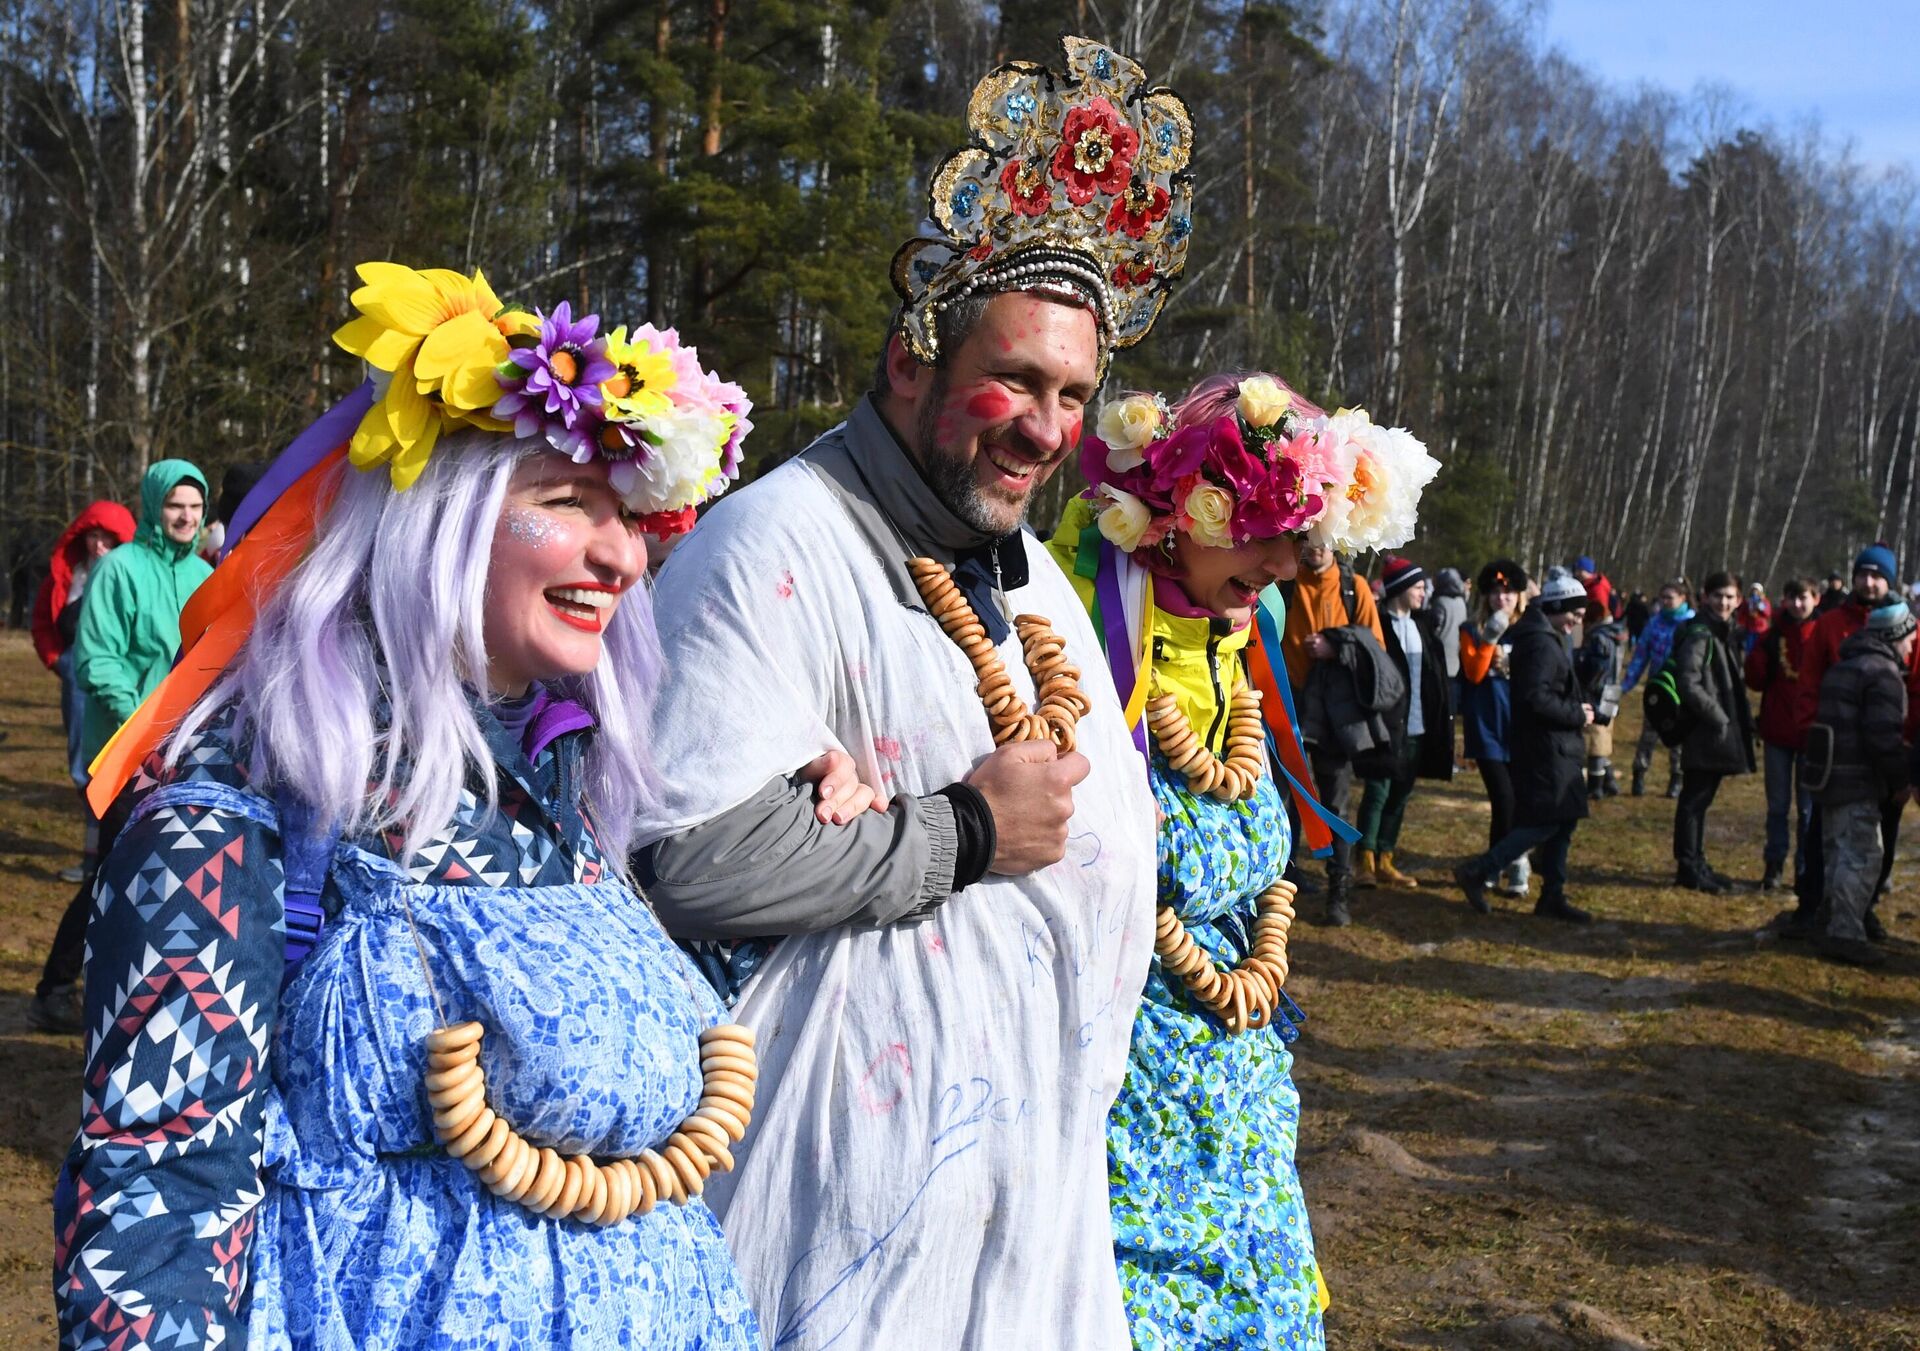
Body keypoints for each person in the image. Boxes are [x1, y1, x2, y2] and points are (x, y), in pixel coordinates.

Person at [54, 263, 760, 1346]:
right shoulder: (250, 794)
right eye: (567, 504)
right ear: (441, 516)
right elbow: (158, 1189)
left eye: (627, 516)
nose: (620, 554)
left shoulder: (559, 783)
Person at [631, 39, 1193, 1349]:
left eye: (1072, 394)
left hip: (1030, 1197)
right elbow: (678, 850)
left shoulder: (1036, 574)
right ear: (910, 364)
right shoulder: (775, 543)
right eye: (1017, 381)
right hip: (840, 1207)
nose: (1047, 428)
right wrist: (967, 832)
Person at [1053, 368, 1433, 1349]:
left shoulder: (1238, 624)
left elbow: (1251, 820)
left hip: (1234, 1061)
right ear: (1183, 503)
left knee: (1258, 1287)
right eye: (1261, 526)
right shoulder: (1078, 610)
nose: (1284, 561)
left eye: (1299, 535)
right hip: (1119, 1064)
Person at [30, 465, 212, 1037]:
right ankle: (55, 987)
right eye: (174, 506)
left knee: (172, 879)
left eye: (193, 507)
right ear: (154, 507)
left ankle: (139, 999)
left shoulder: (208, 576)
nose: (185, 516)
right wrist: (144, 726)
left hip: (187, 757)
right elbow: (97, 658)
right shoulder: (119, 569)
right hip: (127, 752)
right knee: (113, 874)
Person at [1790, 544, 1919, 940]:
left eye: (1878, 575)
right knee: (1822, 834)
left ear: (1889, 580)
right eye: (1863, 573)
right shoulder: (1830, 625)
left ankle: (1863, 908)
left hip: (1889, 754)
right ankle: (1814, 906)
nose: (1869, 581)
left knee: (1880, 838)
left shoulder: (1910, 629)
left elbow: (1915, 692)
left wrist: (1906, 758)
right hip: (1838, 756)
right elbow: (1809, 685)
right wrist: (1814, 737)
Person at [1453, 570, 1594, 922]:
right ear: (1558, 607)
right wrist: (1577, 713)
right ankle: (1481, 869)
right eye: (1574, 614)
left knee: (1562, 821)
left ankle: (1552, 894)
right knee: (1545, 822)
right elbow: (1536, 697)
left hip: (1555, 746)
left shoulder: (1542, 636)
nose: (1577, 621)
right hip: (1548, 747)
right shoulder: (1541, 642)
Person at [28, 501, 135, 889]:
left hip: (118, 682)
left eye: (108, 537)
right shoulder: (66, 576)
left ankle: (106, 859)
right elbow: (42, 620)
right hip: (76, 678)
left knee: (113, 769)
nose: (99, 545)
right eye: (93, 535)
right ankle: (93, 856)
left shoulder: (126, 576)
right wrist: (58, 661)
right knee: (83, 768)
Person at [1282, 538, 1384, 919]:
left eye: (1325, 540)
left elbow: (1376, 649)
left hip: (1335, 710)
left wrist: (1335, 648)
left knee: (1335, 800)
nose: (1318, 547)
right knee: (1284, 796)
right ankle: (1283, 880)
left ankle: (1338, 889)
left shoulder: (1353, 587)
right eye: (1309, 540)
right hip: (1288, 701)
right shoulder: (1285, 583)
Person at [1808, 600, 1915, 967]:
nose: (1912, 647)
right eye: (1910, 639)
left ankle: (1828, 919)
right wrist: (1901, 780)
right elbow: (1882, 738)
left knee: (1837, 854)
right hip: (1857, 781)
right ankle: (1846, 934)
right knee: (1863, 855)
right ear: (1894, 636)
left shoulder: (1844, 666)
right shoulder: (1883, 675)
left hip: (1829, 779)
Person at [1355, 556, 1452, 887]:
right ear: (1400, 589)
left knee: (1401, 794)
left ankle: (1386, 856)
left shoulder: (1423, 628)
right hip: (1386, 726)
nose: (1424, 593)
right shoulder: (1379, 625)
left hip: (1417, 727)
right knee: (1378, 791)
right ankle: (1364, 860)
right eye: (1419, 587)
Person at [1671, 571, 1756, 892]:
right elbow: (1688, 682)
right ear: (1705, 596)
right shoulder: (1701, 633)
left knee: (1700, 800)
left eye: (1730, 597)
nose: (1724, 602)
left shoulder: (1723, 631)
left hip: (1714, 728)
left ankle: (1696, 861)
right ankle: (1688, 867)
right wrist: (1718, 718)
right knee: (1694, 800)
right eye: (1718, 595)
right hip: (1703, 729)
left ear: (1739, 601)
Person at [1457, 559, 1533, 898]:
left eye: (1509, 593)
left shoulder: (1530, 629)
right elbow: (1473, 672)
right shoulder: (1470, 628)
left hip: (1519, 726)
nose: (1502, 599)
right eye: (1496, 592)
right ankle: (1497, 864)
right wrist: (1490, 639)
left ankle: (1507, 863)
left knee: (1518, 799)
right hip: (1486, 725)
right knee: (1503, 799)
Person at [1745, 577, 1819, 892]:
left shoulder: (1823, 633)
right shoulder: (1773, 635)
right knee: (1777, 806)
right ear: (1784, 601)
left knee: (1807, 809)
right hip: (1777, 732)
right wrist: (1760, 652)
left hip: (1812, 735)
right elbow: (1755, 680)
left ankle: (1805, 868)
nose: (1798, 604)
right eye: (1792, 598)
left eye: (1803, 598)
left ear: (1815, 598)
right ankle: (1774, 864)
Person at [1622, 577, 1693, 797]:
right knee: (1648, 734)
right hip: (1657, 688)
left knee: (1679, 738)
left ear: (1683, 598)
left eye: (1670, 598)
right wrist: (1625, 685)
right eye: (1662, 597)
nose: (1665, 602)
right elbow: (1641, 655)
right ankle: (1639, 774)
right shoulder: (1655, 622)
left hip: (1682, 690)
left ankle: (1677, 779)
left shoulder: (1692, 623)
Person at [1574, 595, 1626, 799]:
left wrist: (1585, 682)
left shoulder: (1599, 637)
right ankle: (1610, 781)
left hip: (1598, 692)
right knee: (1605, 735)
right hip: (1612, 690)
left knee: (1596, 739)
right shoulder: (1617, 634)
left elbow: (1596, 668)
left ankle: (1595, 787)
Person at [1427, 565, 1469, 681]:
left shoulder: (1440, 602)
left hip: (1440, 659)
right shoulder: (1462, 602)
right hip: (1456, 660)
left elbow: (1434, 628)